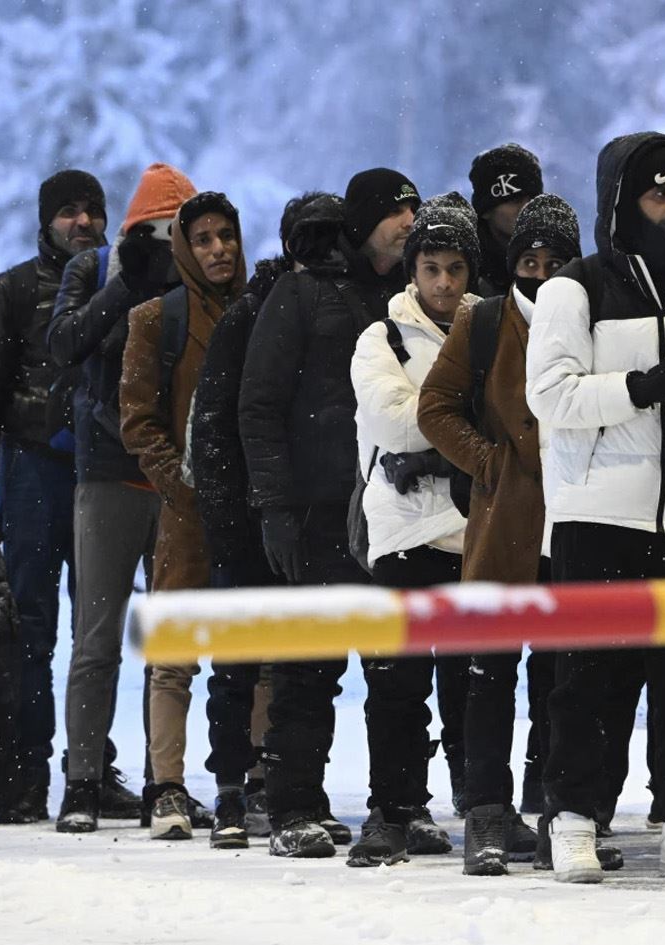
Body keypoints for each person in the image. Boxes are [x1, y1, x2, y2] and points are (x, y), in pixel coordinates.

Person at [525, 132, 665, 884]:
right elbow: (549, 395)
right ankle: (575, 818)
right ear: (623, 200)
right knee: (588, 677)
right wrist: (639, 386)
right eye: (659, 193)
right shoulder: (574, 289)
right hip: (596, 513)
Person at [239, 167, 419, 857]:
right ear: (365, 219)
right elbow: (258, 406)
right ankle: (292, 807)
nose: (409, 220)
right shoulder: (302, 290)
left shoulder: (405, 297)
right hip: (316, 507)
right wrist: (275, 507)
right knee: (309, 664)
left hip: (390, 505)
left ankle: (398, 805)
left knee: (395, 668)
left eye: (413, 209)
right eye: (396, 211)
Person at [0, 169, 134, 824]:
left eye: (92, 210)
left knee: (98, 633)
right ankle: (26, 773)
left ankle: (91, 766)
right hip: (31, 470)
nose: (82, 222)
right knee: (31, 633)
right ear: (45, 220)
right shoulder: (8, 291)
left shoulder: (120, 284)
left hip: (102, 471)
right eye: (68, 211)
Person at [419, 193, 583, 876]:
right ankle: (486, 812)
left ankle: (556, 810)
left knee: (562, 680)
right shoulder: (484, 320)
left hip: (575, 523)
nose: (540, 272)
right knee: (489, 675)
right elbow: (434, 407)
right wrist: (488, 462)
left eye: (553, 261)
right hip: (506, 526)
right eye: (529, 259)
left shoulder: (590, 318)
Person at [49, 162, 200, 832]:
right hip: (109, 471)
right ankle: (82, 780)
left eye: (178, 232)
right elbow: (66, 343)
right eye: (154, 231)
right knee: (96, 637)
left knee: (167, 639)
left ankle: (161, 781)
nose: (165, 243)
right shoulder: (95, 268)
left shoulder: (195, 277)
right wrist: (131, 283)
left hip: (172, 476)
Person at [190, 191, 339, 847]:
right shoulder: (252, 312)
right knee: (237, 662)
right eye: (310, 238)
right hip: (248, 514)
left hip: (300, 512)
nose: (323, 250)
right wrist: (229, 515)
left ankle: (283, 783)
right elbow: (218, 424)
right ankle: (228, 788)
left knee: (298, 660)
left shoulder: (334, 306)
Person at [342, 194, 481, 867]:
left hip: (471, 531)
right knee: (395, 685)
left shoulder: (494, 330)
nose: (445, 283)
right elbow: (391, 420)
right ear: (413, 271)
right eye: (432, 268)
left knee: (475, 686)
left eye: (456, 268)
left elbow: (514, 417)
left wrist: (431, 448)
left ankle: (483, 806)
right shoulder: (381, 338)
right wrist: (460, 430)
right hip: (401, 534)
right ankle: (392, 810)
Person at [119, 191, 247, 841]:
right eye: (203, 239)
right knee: (174, 654)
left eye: (226, 235)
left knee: (256, 646)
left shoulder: (264, 311)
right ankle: (166, 785)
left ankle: (249, 782)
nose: (219, 248)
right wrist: (180, 485)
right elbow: (138, 421)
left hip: (250, 513)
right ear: (183, 248)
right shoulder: (155, 318)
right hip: (188, 513)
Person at [470, 143, 543, 297]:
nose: (526, 208)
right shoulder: (463, 271)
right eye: (515, 200)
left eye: (533, 200)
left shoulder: (560, 256)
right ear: (486, 211)